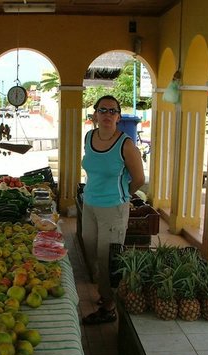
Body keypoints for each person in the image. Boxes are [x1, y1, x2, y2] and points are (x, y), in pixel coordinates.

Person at [81, 95, 145, 325]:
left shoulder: (126, 145)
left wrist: (122, 194)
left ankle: (108, 307)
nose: (107, 114)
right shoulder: (89, 137)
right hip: (89, 204)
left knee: (108, 257)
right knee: (90, 248)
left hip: (113, 208)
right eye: (103, 110)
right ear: (95, 115)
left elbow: (139, 179)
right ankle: (104, 291)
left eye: (112, 111)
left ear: (118, 117)